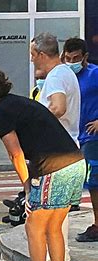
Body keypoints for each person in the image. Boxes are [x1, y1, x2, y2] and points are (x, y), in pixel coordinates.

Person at [0, 68, 86, 261]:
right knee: (53, 227)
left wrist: (27, 187)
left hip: (53, 168)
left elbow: (15, 154)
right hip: (75, 162)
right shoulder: (20, 103)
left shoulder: (1, 111)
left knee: (34, 226)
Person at [31, 32, 82, 261]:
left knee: (48, 209)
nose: (32, 60)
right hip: (69, 151)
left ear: (42, 54)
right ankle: (61, 255)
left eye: (33, 55)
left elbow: (58, 107)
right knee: (60, 209)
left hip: (55, 153)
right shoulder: (66, 73)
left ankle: (51, 259)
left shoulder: (55, 77)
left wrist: (35, 122)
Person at [63, 37, 98, 242]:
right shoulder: (65, 75)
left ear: (85, 57)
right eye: (68, 57)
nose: (72, 61)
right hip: (76, 137)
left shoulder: (94, 74)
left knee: (95, 184)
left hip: (93, 136)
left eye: (76, 58)